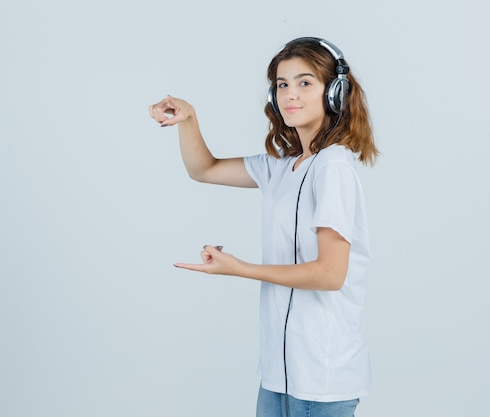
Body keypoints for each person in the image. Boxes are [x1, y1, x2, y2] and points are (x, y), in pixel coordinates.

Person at [148, 37, 378, 417]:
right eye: (282, 84)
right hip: (278, 374)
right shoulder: (281, 166)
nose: (290, 94)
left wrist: (239, 269)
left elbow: (330, 274)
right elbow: (203, 169)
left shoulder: (333, 167)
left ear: (335, 93)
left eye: (305, 83)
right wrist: (188, 118)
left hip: (322, 378)